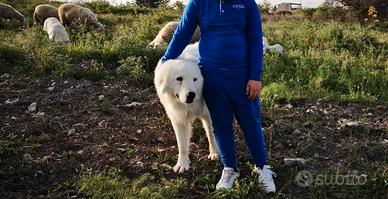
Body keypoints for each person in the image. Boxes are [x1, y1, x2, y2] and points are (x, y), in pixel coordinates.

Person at [161, 0, 276, 193]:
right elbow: (182, 32)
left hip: (242, 75)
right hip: (212, 76)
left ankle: (262, 167)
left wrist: (255, 76)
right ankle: (230, 168)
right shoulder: (198, 3)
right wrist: (165, 61)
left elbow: (255, 38)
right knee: (220, 124)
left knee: (250, 122)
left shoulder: (247, 3)